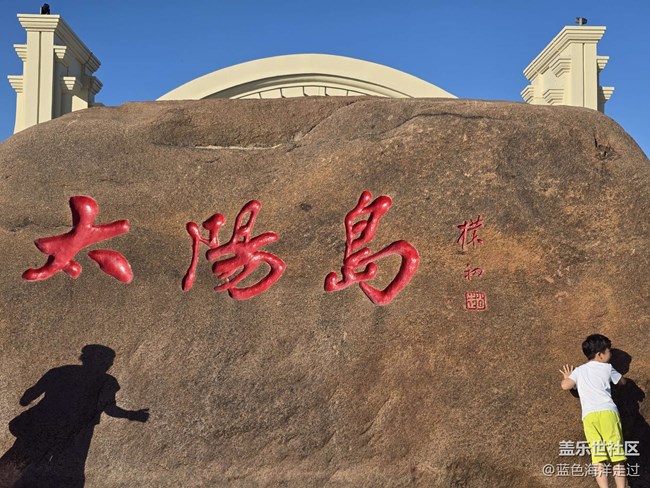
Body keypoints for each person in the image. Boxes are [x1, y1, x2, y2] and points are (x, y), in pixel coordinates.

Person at [560, 334, 627, 488]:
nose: (610, 354)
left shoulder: (579, 370)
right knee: (616, 456)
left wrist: (567, 376)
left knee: (598, 458)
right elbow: (622, 381)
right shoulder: (607, 368)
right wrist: (623, 379)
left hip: (589, 416)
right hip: (608, 413)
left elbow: (565, 385)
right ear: (600, 355)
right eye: (608, 351)